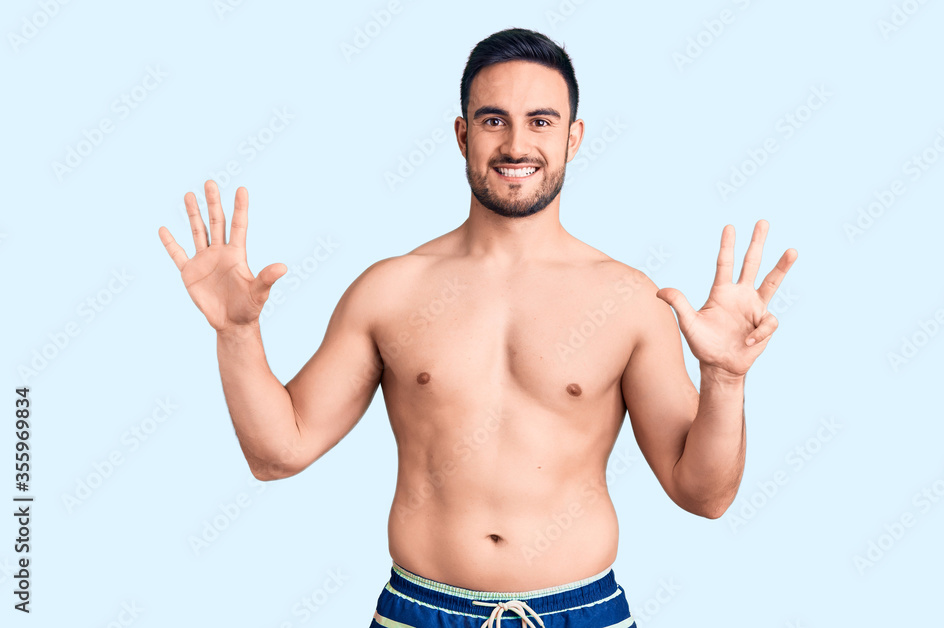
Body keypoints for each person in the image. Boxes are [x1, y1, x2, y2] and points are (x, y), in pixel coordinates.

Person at [158, 27, 797, 628]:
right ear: (463, 135)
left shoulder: (628, 299)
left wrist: (724, 380)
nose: (516, 144)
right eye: (494, 120)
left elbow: (704, 496)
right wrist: (236, 334)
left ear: (573, 137)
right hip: (420, 610)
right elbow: (277, 453)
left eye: (540, 121)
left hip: (583, 612)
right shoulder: (391, 289)